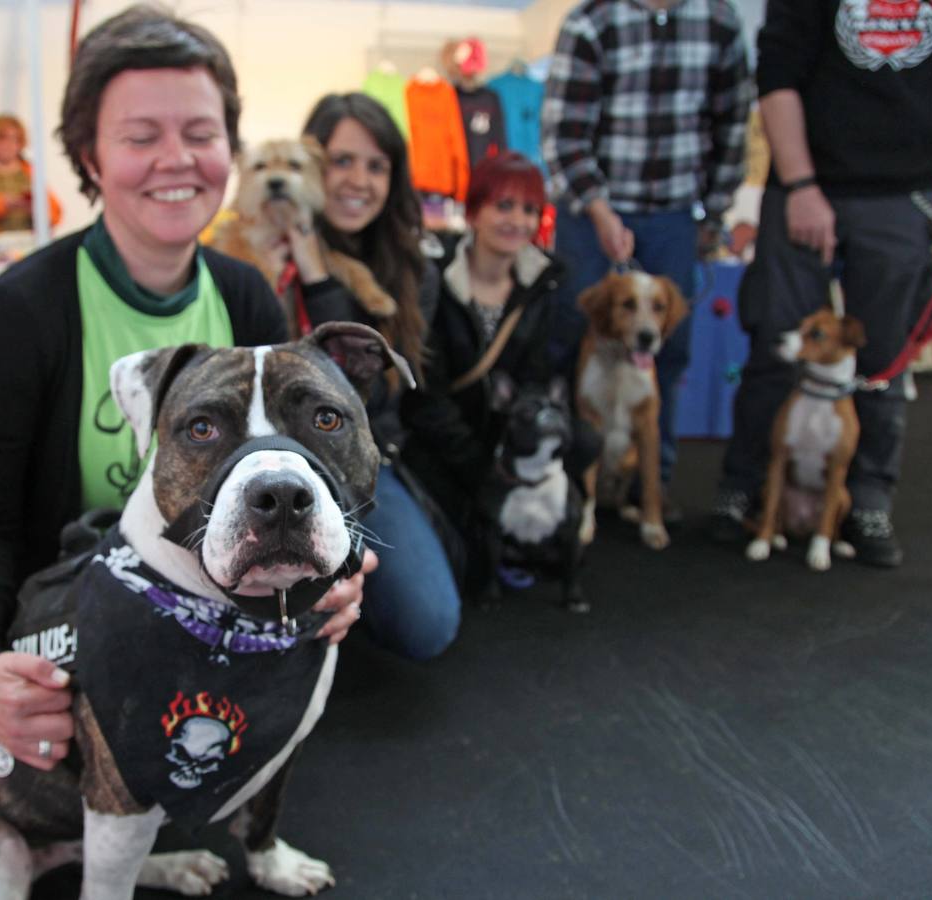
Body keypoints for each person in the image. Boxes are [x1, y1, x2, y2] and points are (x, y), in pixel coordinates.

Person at [0, 6, 369, 772]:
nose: (176, 160)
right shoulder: (18, 315)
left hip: (208, 617)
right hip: (64, 626)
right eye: (139, 136)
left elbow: (306, 464)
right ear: (87, 155)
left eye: (200, 133)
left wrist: (342, 565)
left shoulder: (246, 297)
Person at [709, 0, 932, 567]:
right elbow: (776, 77)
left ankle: (867, 499)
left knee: (883, 359)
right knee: (778, 342)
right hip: (805, 182)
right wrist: (800, 185)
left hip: (906, 194)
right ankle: (744, 488)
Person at [541, 0, 753, 518]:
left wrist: (713, 214)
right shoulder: (591, 20)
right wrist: (599, 210)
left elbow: (733, 126)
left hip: (676, 216)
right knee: (571, 337)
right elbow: (564, 133)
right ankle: (564, 479)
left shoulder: (720, 20)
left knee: (667, 352)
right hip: (592, 210)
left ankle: (648, 483)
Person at [272, 91, 461, 661]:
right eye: (342, 161)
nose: (359, 180)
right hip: (271, 457)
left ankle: (351, 594)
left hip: (362, 461)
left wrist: (316, 271)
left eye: (377, 166)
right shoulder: (260, 250)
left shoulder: (411, 268)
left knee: (429, 625)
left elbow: (359, 393)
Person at [402, 151, 599, 590]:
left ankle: (539, 528)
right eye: (504, 206)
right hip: (442, 436)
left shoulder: (544, 281)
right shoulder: (435, 276)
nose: (518, 220)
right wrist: (478, 466)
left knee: (584, 439)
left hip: (507, 432)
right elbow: (426, 395)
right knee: (461, 564)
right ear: (473, 211)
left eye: (530, 209)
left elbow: (539, 378)